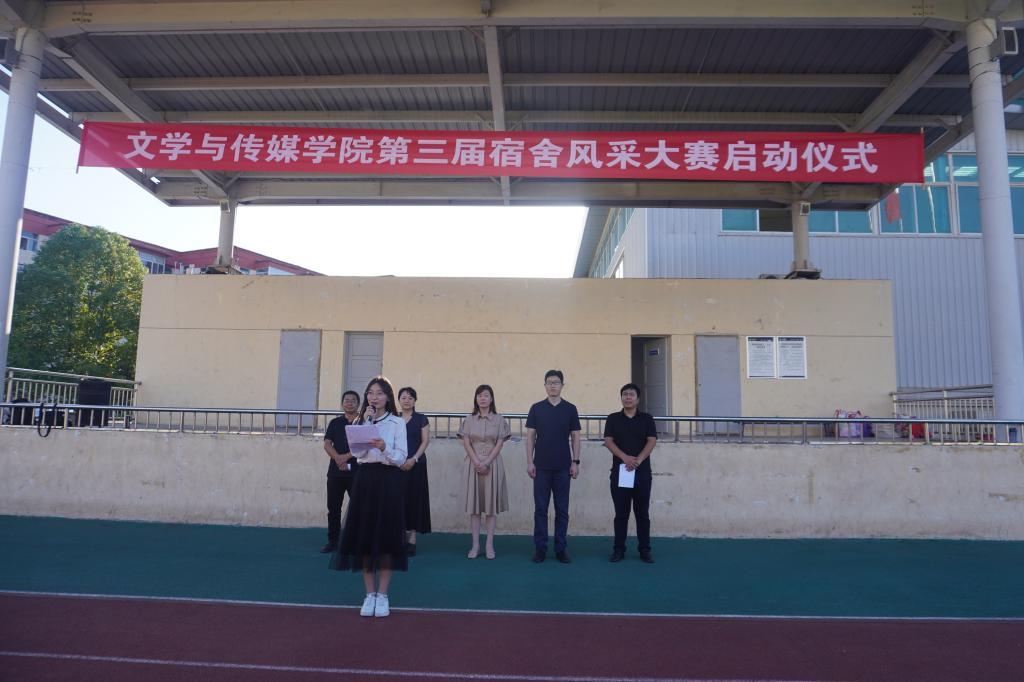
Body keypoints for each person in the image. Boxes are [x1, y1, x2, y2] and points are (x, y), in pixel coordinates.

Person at [329, 376, 408, 618]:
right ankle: (369, 594)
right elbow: (358, 454)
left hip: (388, 480)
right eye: (371, 393)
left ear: (388, 397)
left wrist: (384, 448)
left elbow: (401, 458)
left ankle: (383, 595)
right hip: (365, 480)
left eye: (380, 393)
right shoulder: (361, 421)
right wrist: (364, 433)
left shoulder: (397, 423)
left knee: (386, 538)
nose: (374, 397)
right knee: (364, 536)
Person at [525, 369, 581, 564]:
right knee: (540, 510)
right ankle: (540, 548)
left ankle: (560, 548)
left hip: (563, 468)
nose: (553, 385)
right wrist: (530, 462)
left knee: (562, 510)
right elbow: (530, 437)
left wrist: (575, 462)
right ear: (545, 385)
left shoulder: (570, 409)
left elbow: (575, 437)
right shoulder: (536, 408)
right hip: (540, 467)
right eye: (549, 382)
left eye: (556, 382)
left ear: (562, 385)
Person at [603, 383, 658, 563]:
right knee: (621, 514)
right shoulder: (613, 418)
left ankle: (645, 550)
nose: (628, 397)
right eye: (625, 394)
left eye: (631, 394)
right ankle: (619, 549)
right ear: (621, 398)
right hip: (620, 473)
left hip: (642, 474)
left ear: (637, 399)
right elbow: (608, 441)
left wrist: (637, 461)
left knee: (642, 514)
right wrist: (625, 458)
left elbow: (651, 441)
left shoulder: (647, 419)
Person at [457, 384, 511, 560]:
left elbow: (500, 443)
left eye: (486, 395)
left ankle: (489, 545)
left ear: (491, 398)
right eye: (479, 395)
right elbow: (466, 442)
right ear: (476, 398)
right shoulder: (469, 419)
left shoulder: (499, 420)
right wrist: (476, 461)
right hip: (472, 464)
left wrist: (486, 462)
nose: (482, 398)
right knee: (474, 507)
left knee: (490, 508)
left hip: (493, 464)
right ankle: (475, 545)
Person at [321, 390, 361, 553]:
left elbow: (364, 446)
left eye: (353, 400)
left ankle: (356, 542)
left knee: (358, 508)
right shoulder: (335, 423)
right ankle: (333, 541)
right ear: (342, 403)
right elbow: (327, 444)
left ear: (358, 404)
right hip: (335, 473)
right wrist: (338, 458)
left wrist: (345, 457)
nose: (349, 403)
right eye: (346, 400)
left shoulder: (363, 423)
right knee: (333, 509)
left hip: (356, 472)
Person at [398, 386, 431, 556]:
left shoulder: (421, 419)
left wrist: (414, 459)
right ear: (398, 400)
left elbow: (425, 441)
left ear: (415, 401)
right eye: (403, 397)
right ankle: (399, 538)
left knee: (414, 501)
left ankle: (412, 539)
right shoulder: (393, 419)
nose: (406, 400)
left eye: (410, 398)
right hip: (396, 466)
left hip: (417, 465)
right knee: (398, 501)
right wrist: (397, 460)